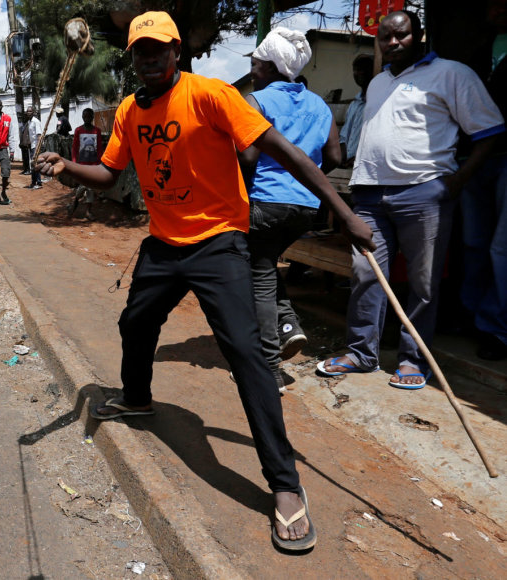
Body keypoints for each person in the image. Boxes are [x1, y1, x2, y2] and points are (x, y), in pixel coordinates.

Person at [35, 11, 375, 551]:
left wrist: (346, 215)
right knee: (136, 321)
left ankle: (285, 486)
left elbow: (288, 156)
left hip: (219, 243)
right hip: (165, 244)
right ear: (133, 58)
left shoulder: (212, 94)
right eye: (140, 52)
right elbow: (108, 176)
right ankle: (138, 397)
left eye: (159, 49)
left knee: (246, 354)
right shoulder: (127, 110)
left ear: (175, 51)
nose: (150, 58)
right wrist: (66, 168)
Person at [317, 10, 505, 388]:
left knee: (423, 282)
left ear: (419, 36)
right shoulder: (378, 83)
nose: (392, 43)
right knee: (366, 275)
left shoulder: (452, 74)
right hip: (370, 194)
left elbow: (490, 130)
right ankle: (360, 352)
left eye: (400, 36)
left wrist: (458, 180)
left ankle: (413, 359)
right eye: (385, 37)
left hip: (424, 192)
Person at [237, 28, 341, 389]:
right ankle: (286, 325)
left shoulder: (257, 101)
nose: (252, 70)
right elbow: (334, 156)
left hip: (265, 201)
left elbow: (249, 154)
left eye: (255, 63)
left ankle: (267, 366)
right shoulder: (319, 105)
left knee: (259, 276)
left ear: (269, 67)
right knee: (265, 266)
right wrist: (302, 181)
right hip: (305, 207)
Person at [462, 0, 507, 361]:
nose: (498, 8)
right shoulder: (476, 54)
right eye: (492, 3)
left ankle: (497, 328)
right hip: (475, 158)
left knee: (501, 247)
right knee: (475, 243)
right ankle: (473, 316)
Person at [338, 54, 374, 167]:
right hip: (349, 167)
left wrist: (359, 158)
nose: (360, 73)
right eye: (356, 69)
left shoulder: (378, 103)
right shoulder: (354, 104)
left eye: (364, 69)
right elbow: (344, 138)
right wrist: (341, 159)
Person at [69, 107, 102, 219]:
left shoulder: (97, 131)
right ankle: (75, 201)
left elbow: (100, 149)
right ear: (82, 117)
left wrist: (99, 164)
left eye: (89, 116)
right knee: (83, 185)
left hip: (93, 164)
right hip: (82, 164)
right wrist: (74, 162)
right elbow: (75, 148)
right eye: (85, 116)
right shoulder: (78, 130)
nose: (87, 118)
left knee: (90, 187)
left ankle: (87, 210)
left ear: (92, 117)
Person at [21, 106, 43, 190]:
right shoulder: (29, 122)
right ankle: (33, 182)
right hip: (31, 146)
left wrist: (37, 148)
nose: (28, 113)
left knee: (35, 164)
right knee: (32, 165)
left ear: (33, 112)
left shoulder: (36, 122)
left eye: (30, 111)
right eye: (27, 111)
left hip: (35, 147)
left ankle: (39, 182)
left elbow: (39, 135)